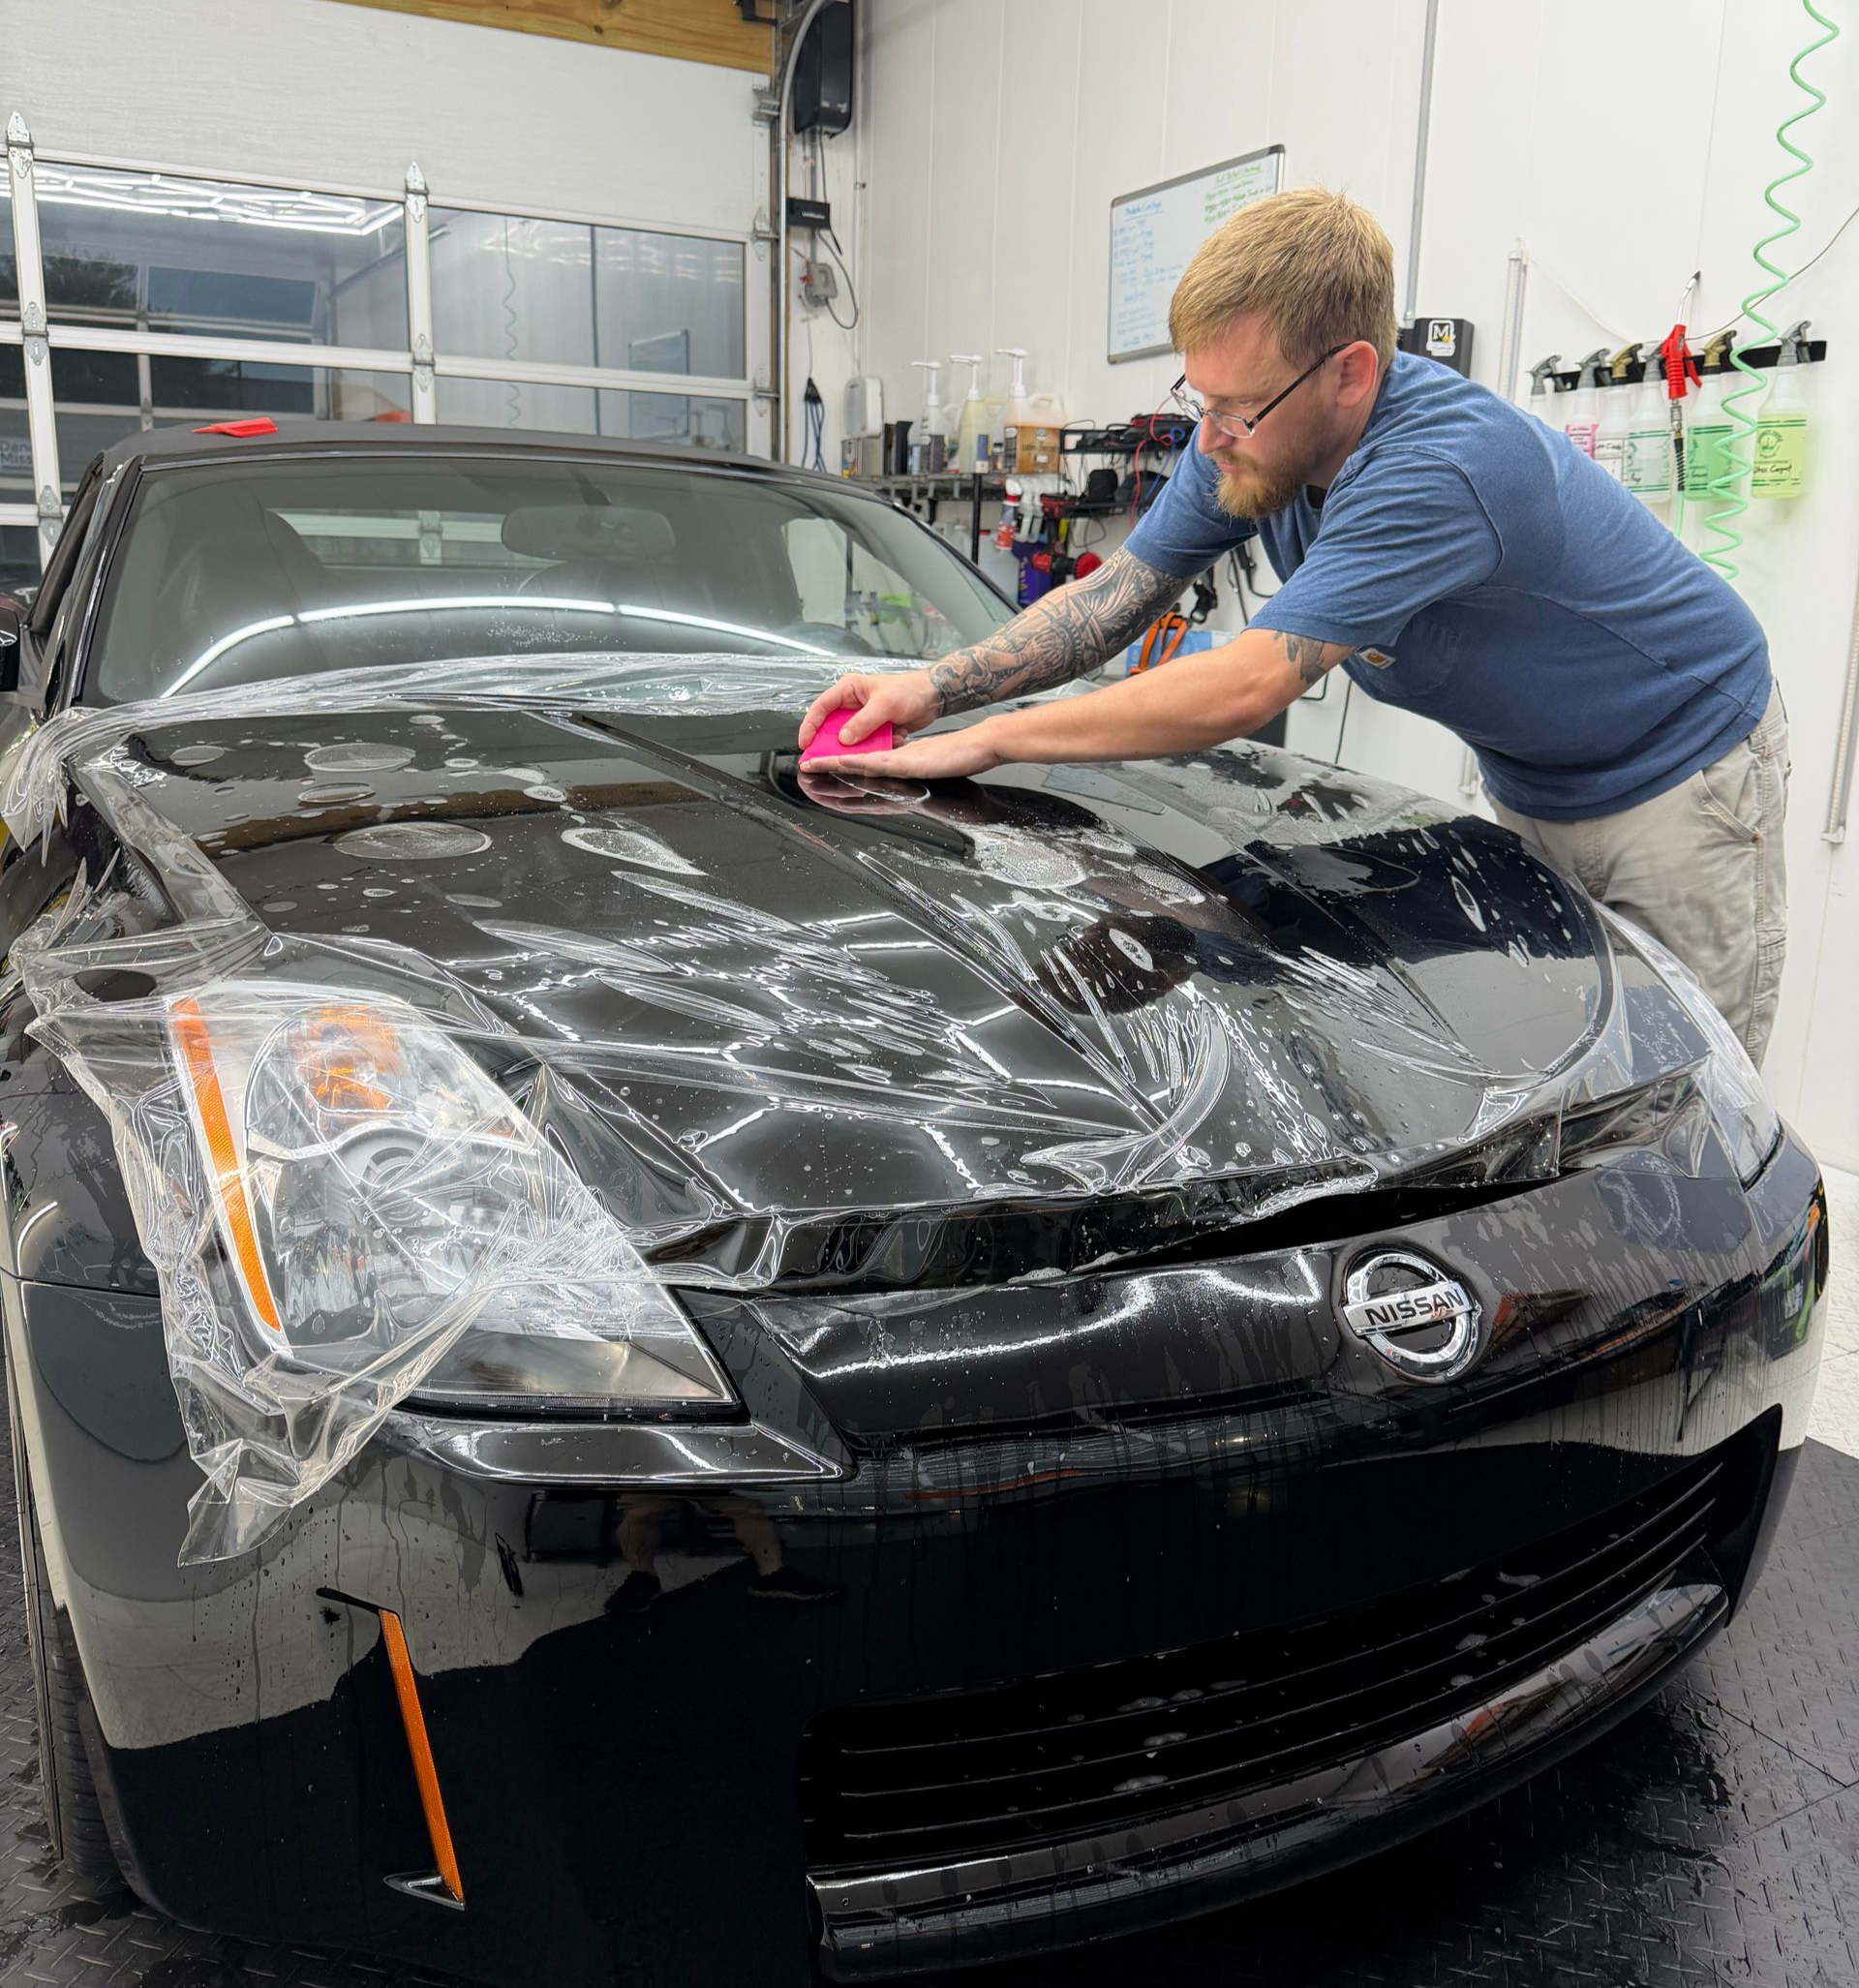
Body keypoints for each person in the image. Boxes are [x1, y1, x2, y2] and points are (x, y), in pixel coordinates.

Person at [797, 188, 1788, 1062]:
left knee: (1683, 1072)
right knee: (1572, 1048)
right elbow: (1116, 597)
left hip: (1685, 772)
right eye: (1200, 398)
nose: (1211, 432)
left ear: (1349, 373)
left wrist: (981, 744)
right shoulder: (1249, 439)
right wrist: (929, 688)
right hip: (1537, 774)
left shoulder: (1440, 468)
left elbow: (1247, 682)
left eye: (1237, 406)